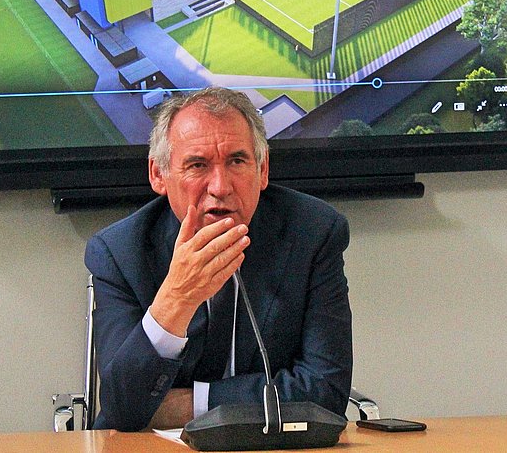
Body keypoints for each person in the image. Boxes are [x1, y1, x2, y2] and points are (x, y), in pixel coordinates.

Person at [85, 88, 352, 431]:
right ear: (158, 175)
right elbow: (124, 409)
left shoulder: (314, 233)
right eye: (198, 165)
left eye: (237, 161)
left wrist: (191, 404)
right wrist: (178, 297)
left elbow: (325, 394)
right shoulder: (120, 252)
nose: (220, 186)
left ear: (263, 169)